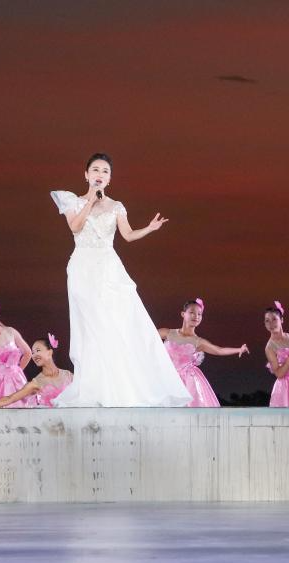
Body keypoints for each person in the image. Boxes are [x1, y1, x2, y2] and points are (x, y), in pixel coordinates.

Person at [50, 153, 191, 407]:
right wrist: (90, 201)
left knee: (115, 325)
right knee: (90, 328)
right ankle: (94, 388)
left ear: (110, 178)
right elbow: (75, 227)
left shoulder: (116, 206)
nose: (100, 174)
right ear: (86, 174)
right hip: (82, 268)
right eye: (95, 170)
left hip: (109, 269)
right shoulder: (73, 201)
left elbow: (127, 235)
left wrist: (148, 228)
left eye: (105, 171)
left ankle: (119, 389)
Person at [158, 298, 248, 407]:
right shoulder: (167, 333)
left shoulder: (199, 342)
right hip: (167, 377)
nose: (196, 316)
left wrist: (239, 349)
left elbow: (219, 350)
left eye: (199, 314)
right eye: (192, 312)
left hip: (188, 382)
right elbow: (147, 335)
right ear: (183, 314)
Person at [0, 334, 73, 408]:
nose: (34, 355)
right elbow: (10, 398)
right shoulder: (36, 383)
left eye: (38, 350)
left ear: (50, 352)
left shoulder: (68, 375)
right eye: (32, 353)